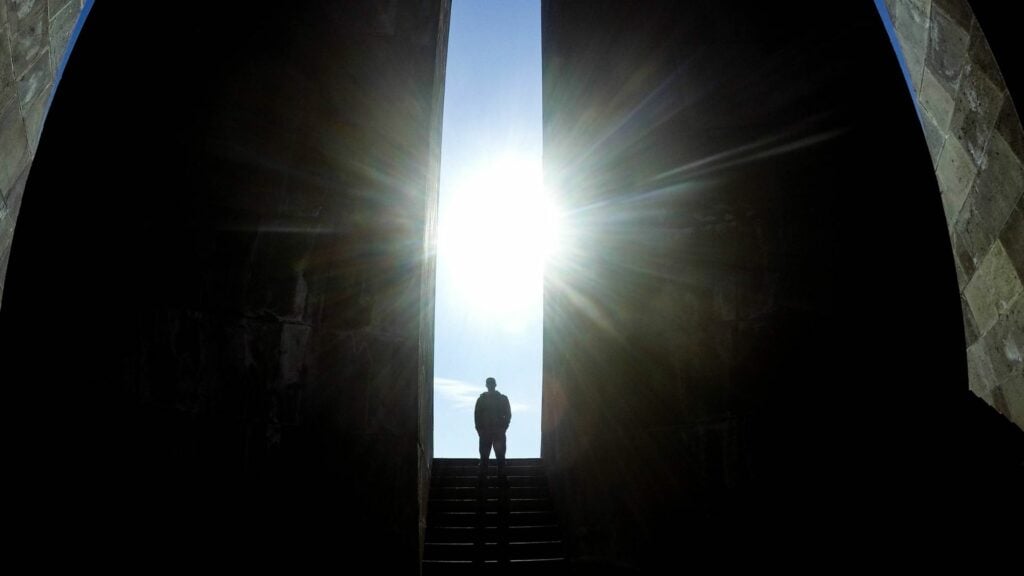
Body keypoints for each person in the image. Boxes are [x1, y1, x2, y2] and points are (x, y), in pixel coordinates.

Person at [474, 377, 511, 476]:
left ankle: (501, 480)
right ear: (487, 385)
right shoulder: (482, 399)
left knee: (500, 458)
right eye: (489, 383)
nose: (490, 385)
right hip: (487, 432)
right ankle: (482, 481)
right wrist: (480, 429)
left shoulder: (502, 399)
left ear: (495, 385)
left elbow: (508, 414)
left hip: (497, 432)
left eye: (491, 383)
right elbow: (477, 415)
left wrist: (504, 427)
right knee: (484, 458)